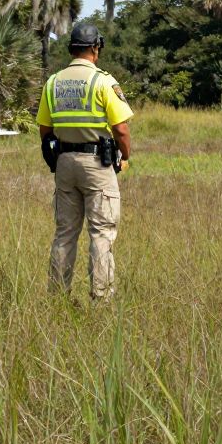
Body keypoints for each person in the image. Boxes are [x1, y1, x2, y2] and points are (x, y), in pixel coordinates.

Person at [36, 23, 133, 301]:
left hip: (64, 163)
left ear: (71, 48)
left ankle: (57, 297)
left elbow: (44, 129)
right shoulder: (103, 81)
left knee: (65, 233)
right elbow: (122, 130)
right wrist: (124, 156)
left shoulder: (53, 82)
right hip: (97, 164)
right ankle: (101, 298)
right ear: (95, 48)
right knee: (101, 233)